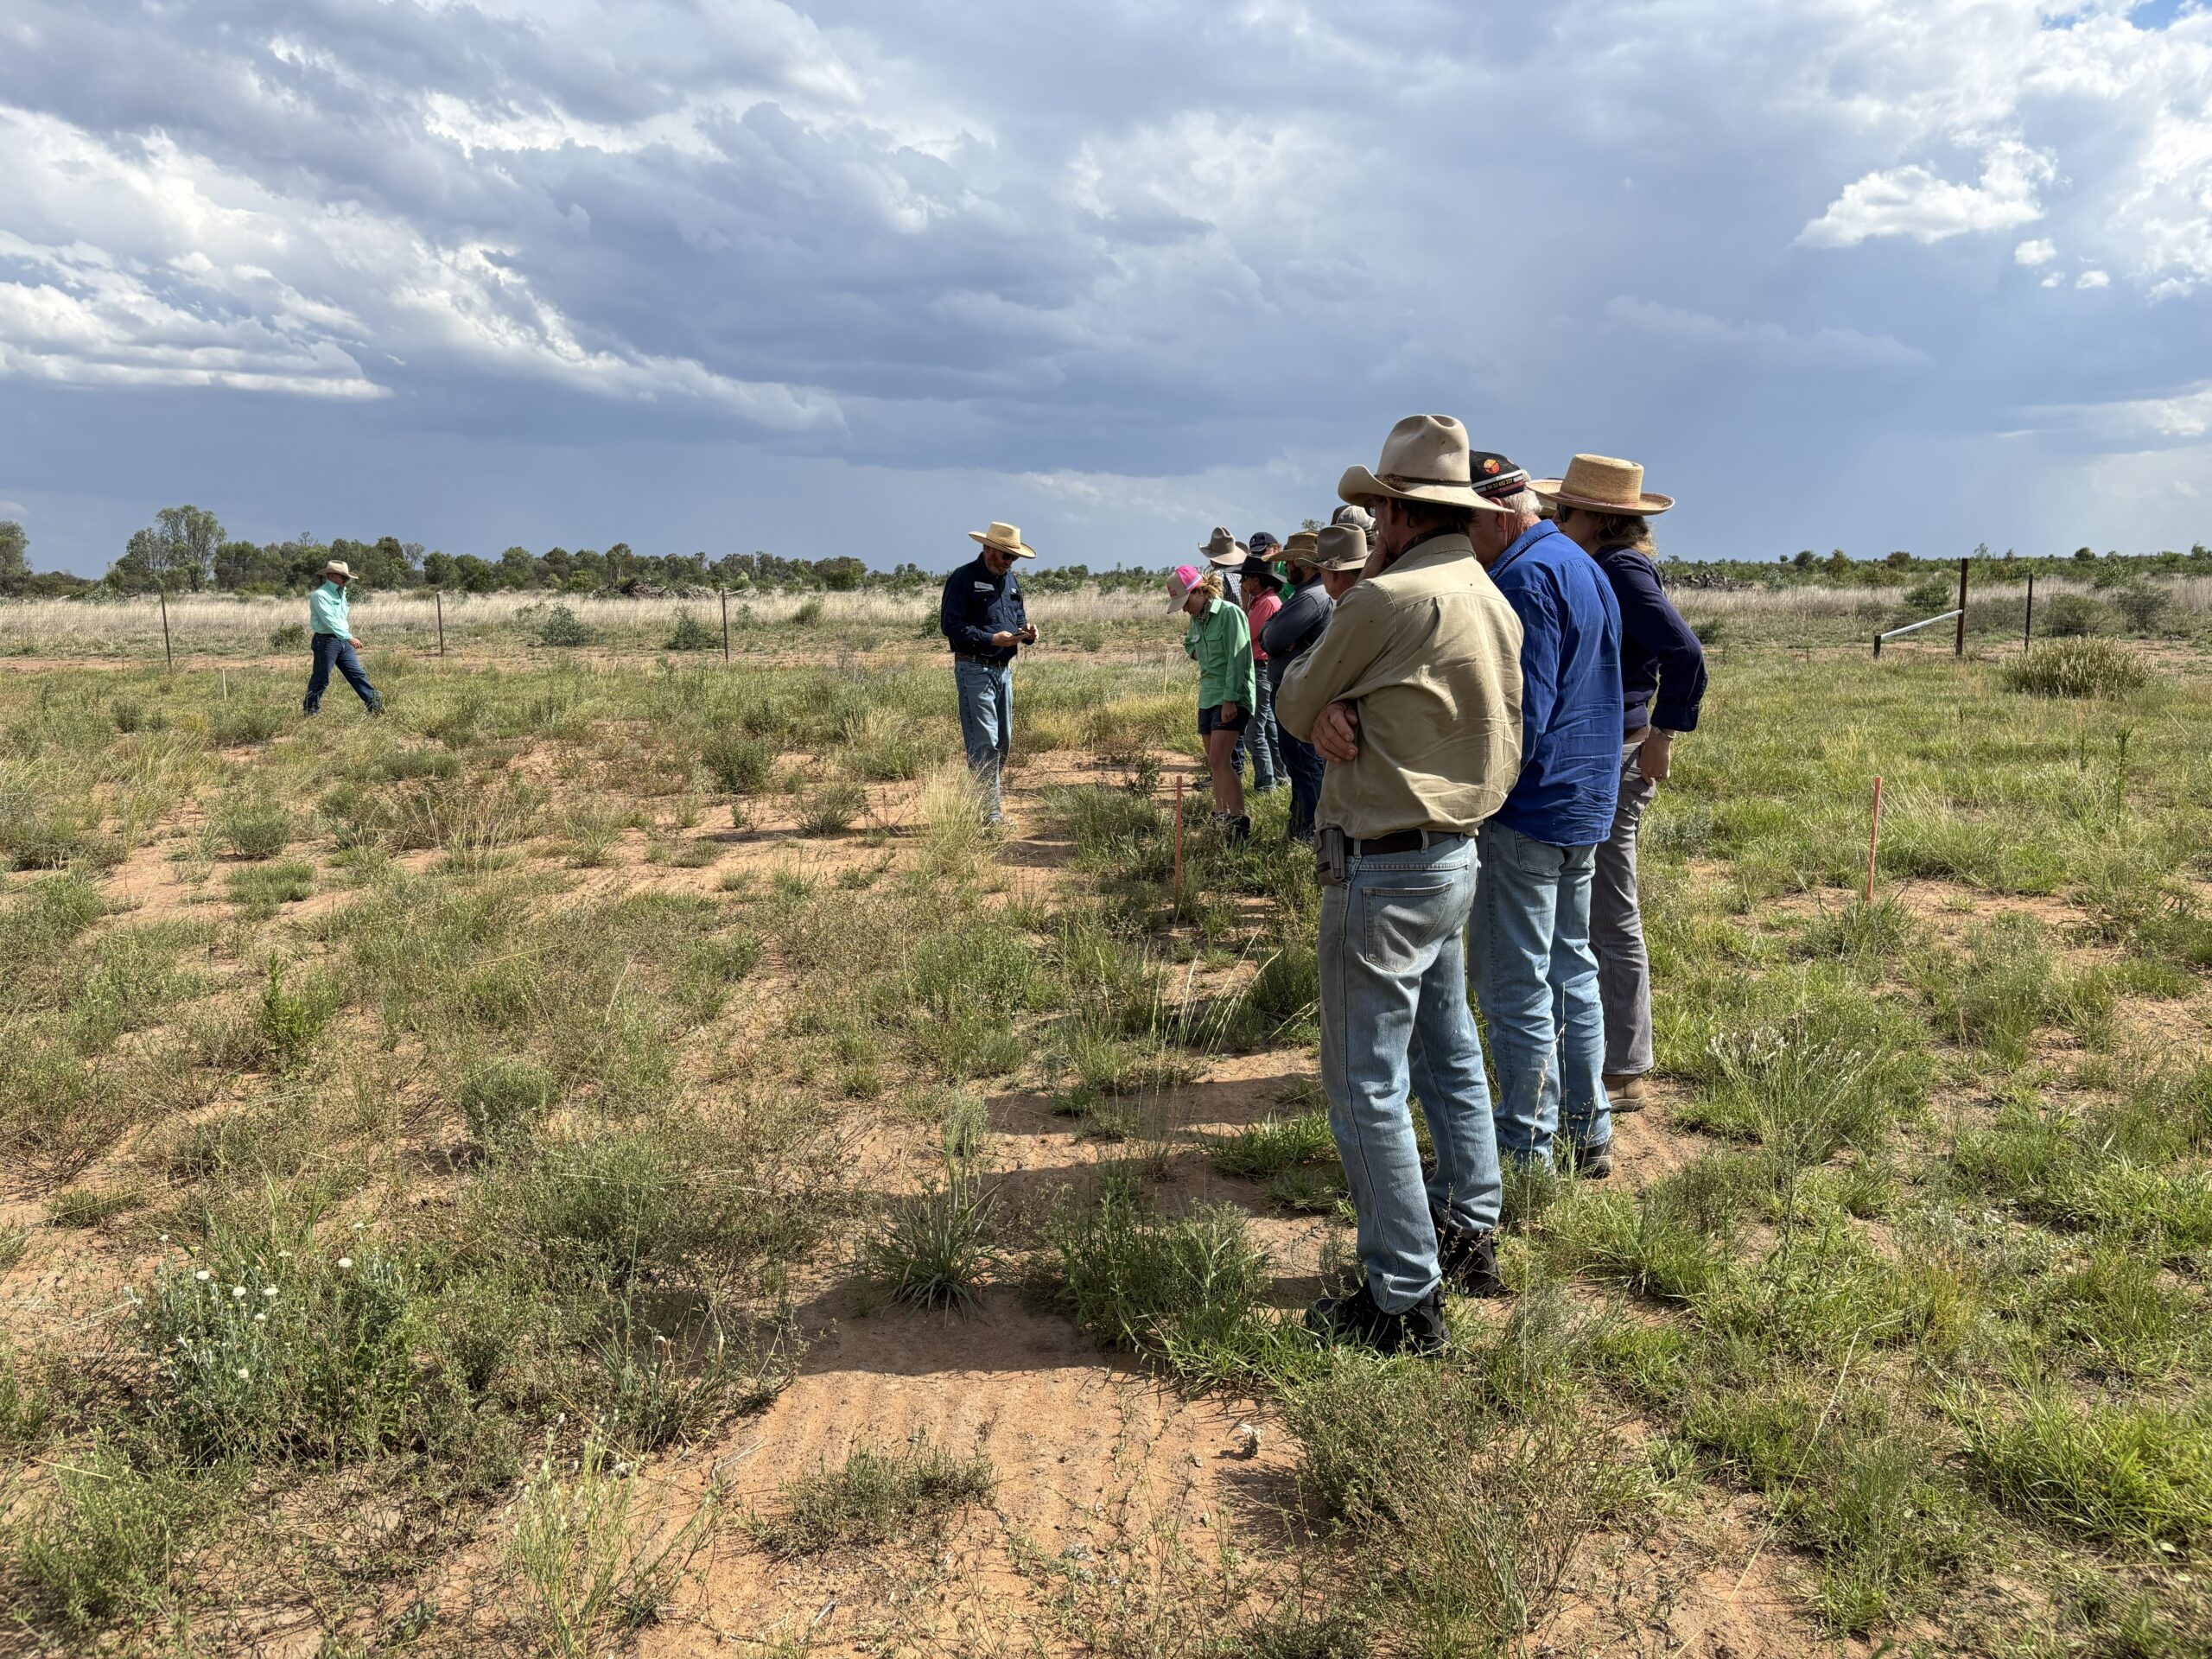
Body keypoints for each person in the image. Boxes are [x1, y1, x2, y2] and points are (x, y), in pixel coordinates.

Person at [1277, 415, 1524, 1354]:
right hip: (1456, 851)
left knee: (1363, 1085)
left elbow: (1295, 700)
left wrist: (1334, 701)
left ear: (1391, 511)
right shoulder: (1487, 593)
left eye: (1375, 509)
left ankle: (1403, 1300)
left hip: (1382, 862)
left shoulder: (1385, 600)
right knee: (1448, 1050)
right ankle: (1470, 1229)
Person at [1453, 454, 1624, 1179]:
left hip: (1530, 806)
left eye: (1463, 523)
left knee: (1515, 982)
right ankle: (1588, 1133)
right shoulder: (1577, 562)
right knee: (1571, 967)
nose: (1461, 542)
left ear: (1497, 515)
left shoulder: (1523, 578)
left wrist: (1476, 792)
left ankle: (1525, 1150)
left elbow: (1527, 709)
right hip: (1585, 800)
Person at [1535, 455, 1707, 1110]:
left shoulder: (1620, 569)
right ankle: (1605, 1057)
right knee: (1599, 906)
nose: (1556, 520)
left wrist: (1663, 734)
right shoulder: (1606, 564)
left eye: (1565, 511)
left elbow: (1685, 651)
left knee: (1609, 909)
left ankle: (1625, 1069)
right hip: (1614, 743)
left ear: (1596, 519)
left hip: (1621, 750)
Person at [939, 520, 1039, 826]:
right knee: (985, 742)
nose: (1009, 563)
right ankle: (989, 813)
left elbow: (1018, 615)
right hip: (974, 668)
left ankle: (982, 798)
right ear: (988, 548)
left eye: (1014, 558)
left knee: (1003, 742)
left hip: (1003, 671)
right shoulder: (963, 579)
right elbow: (950, 625)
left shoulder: (1011, 582)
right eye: (1005, 556)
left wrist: (1028, 632)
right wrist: (990, 639)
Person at [1259, 529, 1337, 842]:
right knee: (1300, 764)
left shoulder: (1309, 597)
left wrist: (1272, 633)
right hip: (1299, 688)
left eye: (1291, 563)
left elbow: (1272, 638)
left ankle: (1310, 833)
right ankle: (1300, 829)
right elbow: (1271, 635)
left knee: (1304, 765)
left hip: (1298, 692)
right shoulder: (1314, 594)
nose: (1286, 569)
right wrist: (1271, 633)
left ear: (1304, 565)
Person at [1169, 563, 1255, 839]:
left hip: (1230, 697)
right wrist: (1196, 653)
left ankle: (1237, 822)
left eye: (1185, 601)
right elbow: (1190, 645)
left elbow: (1238, 659)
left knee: (1220, 759)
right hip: (1207, 695)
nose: (1184, 609)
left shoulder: (1230, 614)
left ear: (1198, 591)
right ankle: (1221, 817)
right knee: (1214, 761)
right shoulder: (1197, 618)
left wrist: (1230, 700)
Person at [302, 559, 384, 717]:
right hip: (326, 641)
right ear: (331, 575)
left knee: (357, 674)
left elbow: (340, 618)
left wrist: (346, 637)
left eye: (346, 578)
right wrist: (349, 637)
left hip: (342, 641)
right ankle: (310, 712)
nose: (346, 581)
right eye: (343, 577)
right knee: (321, 678)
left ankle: (376, 708)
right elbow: (329, 620)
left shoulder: (341, 592)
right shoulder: (320, 595)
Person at [1238, 555, 1287, 796]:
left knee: (1254, 731)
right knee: (1268, 727)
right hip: (1263, 668)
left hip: (1260, 669)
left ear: (1255, 580)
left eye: (1245, 579)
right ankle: (1280, 776)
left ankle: (1266, 784)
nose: (1242, 584)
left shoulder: (1266, 603)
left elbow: (1245, 633)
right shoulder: (1265, 601)